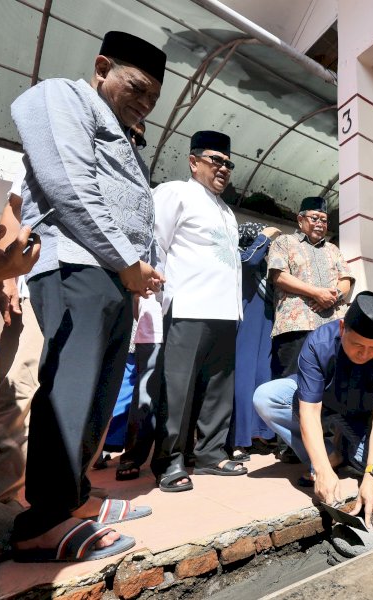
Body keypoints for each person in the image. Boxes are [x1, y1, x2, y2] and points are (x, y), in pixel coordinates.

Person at [9, 30, 166, 562]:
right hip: (77, 264)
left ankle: (73, 499)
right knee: (70, 391)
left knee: (98, 395)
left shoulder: (121, 130)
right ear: (102, 68)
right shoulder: (60, 95)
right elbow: (68, 183)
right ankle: (43, 522)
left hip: (113, 275)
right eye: (137, 87)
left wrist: (139, 270)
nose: (145, 103)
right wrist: (127, 262)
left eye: (153, 97)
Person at [254, 291, 373, 532]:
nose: (364, 354)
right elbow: (309, 412)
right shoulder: (319, 343)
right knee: (266, 397)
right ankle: (328, 455)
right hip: (322, 406)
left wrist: (371, 480)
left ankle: (343, 449)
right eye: (358, 345)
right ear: (343, 328)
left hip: (359, 418)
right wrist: (322, 469)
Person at [151, 130, 247, 493]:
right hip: (188, 306)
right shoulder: (175, 193)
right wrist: (154, 297)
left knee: (218, 389)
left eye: (228, 164)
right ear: (193, 162)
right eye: (215, 160)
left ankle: (210, 454)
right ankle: (169, 460)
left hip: (226, 311)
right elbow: (156, 243)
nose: (223, 168)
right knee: (178, 389)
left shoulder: (227, 211)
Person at [0, 166, 43, 504]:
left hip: (88, 295)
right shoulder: (47, 144)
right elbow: (14, 211)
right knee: (17, 391)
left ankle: (49, 495)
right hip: (36, 291)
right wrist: (4, 279)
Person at [267, 197, 354, 378]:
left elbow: (346, 279)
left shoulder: (333, 249)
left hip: (333, 326)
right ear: (300, 219)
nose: (320, 224)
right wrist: (316, 293)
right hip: (296, 326)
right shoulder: (284, 242)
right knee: (292, 381)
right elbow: (279, 276)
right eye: (314, 218)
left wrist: (333, 297)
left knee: (332, 379)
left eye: (324, 220)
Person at [227, 222, 282, 461]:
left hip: (267, 323)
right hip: (246, 323)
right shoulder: (241, 257)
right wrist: (265, 236)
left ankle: (259, 434)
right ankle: (238, 439)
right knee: (244, 379)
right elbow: (248, 262)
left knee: (263, 377)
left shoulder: (266, 265)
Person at [115, 294, 163, 481]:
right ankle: (133, 455)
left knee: (180, 394)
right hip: (151, 328)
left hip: (186, 325)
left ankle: (181, 451)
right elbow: (135, 295)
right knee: (145, 397)